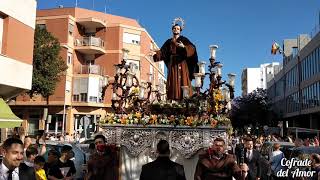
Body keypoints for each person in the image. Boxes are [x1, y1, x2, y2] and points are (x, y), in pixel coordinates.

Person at [153, 18, 198, 100]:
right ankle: (173, 99)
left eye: (177, 28)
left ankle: (186, 99)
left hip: (182, 63)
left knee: (183, 79)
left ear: (180, 30)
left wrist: (184, 47)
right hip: (173, 64)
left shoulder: (184, 39)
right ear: (172, 30)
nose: (176, 30)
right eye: (174, 28)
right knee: (173, 81)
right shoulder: (168, 41)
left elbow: (192, 48)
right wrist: (155, 54)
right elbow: (163, 52)